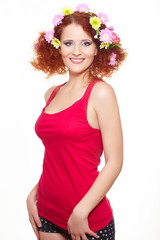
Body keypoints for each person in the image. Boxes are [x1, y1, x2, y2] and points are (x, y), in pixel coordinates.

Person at [26, 4, 127, 240]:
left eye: (86, 43)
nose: (76, 51)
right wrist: (33, 194)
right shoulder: (51, 93)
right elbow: (58, 157)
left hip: (87, 219)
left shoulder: (101, 93)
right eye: (68, 43)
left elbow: (115, 162)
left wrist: (81, 211)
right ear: (57, 47)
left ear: (97, 48)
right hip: (47, 213)